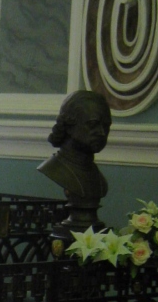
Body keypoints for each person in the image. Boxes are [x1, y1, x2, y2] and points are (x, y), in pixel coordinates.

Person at [37, 89, 112, 229]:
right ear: (69, 125)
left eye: (106, 126)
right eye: (93, 124)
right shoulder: (54, 169)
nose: (102, 133)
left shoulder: (98, 179)